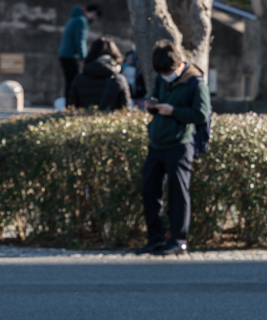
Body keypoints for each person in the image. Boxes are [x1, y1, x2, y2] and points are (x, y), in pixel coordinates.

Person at [136, 40, 211, 257]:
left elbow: (201, 114)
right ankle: (155, 239)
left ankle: (178, 240)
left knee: (178, 193)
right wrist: (152, 105)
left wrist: (174, 111)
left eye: (168, 72)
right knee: (149, 191)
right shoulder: (161, 78)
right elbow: (157, 98)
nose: (164, 76)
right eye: (161, 73)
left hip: (180, 144)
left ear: (178, 65)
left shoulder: (195, 83)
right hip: (157, 143)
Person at [68, 36, 130, 112]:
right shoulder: (119, 80)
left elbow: (71, 108)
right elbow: (124, 110)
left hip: (83, 119)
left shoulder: (79, 79)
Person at [57, 4, 101, 103]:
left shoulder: (74, 18)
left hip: (65, 54)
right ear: (93, 13)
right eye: (95, 17)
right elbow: (80, 41)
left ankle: (68, 104)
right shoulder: (81, 21)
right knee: (73, 82)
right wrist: (83, 59)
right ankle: (70, 105)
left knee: (69, 81)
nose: (94, 19)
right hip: (71, 56)